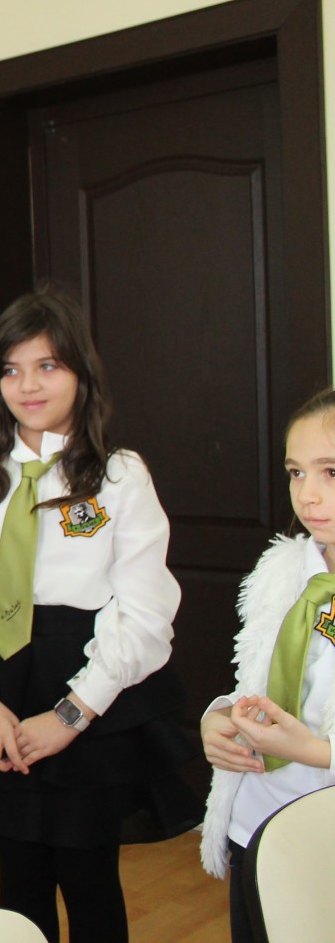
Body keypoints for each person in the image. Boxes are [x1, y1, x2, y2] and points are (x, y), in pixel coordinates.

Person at [0, 289, 201, 943]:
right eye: (11, 370)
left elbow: (143, 611)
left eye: (47, 366)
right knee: (18, 874)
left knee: (89, 880)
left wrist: (71, 716)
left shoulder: (119, 478)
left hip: (89, 680)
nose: (28, 385)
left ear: (80, 374)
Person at [200, 387, 335, 942]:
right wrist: (220, 717)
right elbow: (254, 675)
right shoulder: (283, 568)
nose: (308, 495)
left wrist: (315, 751)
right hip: (255, 821)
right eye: (296, 473)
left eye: (331, 472)